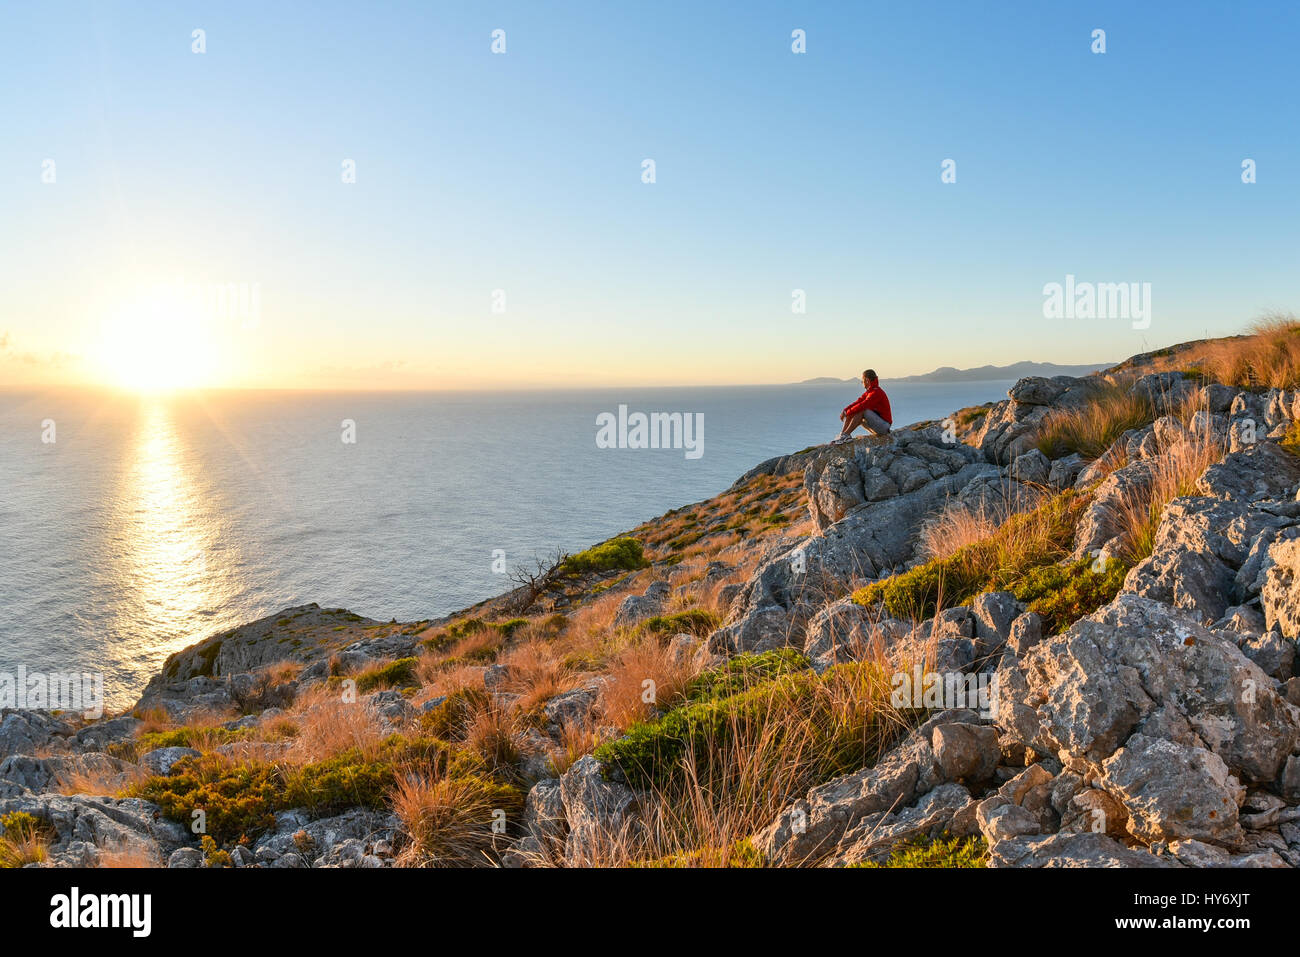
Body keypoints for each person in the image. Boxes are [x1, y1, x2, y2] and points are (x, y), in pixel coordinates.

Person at [831, 369, 892, 444]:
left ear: (867, 380)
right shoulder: (870, 392)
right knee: (854, 410)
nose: (862, 383)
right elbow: (858, 402)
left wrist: (847, 412)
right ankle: (843, 435)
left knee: (862, 410)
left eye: (862, 381)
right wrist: (845, 411)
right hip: (878, 425)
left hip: (884, 427)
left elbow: (863, 405)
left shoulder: (876, 392)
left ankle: (845, 435)